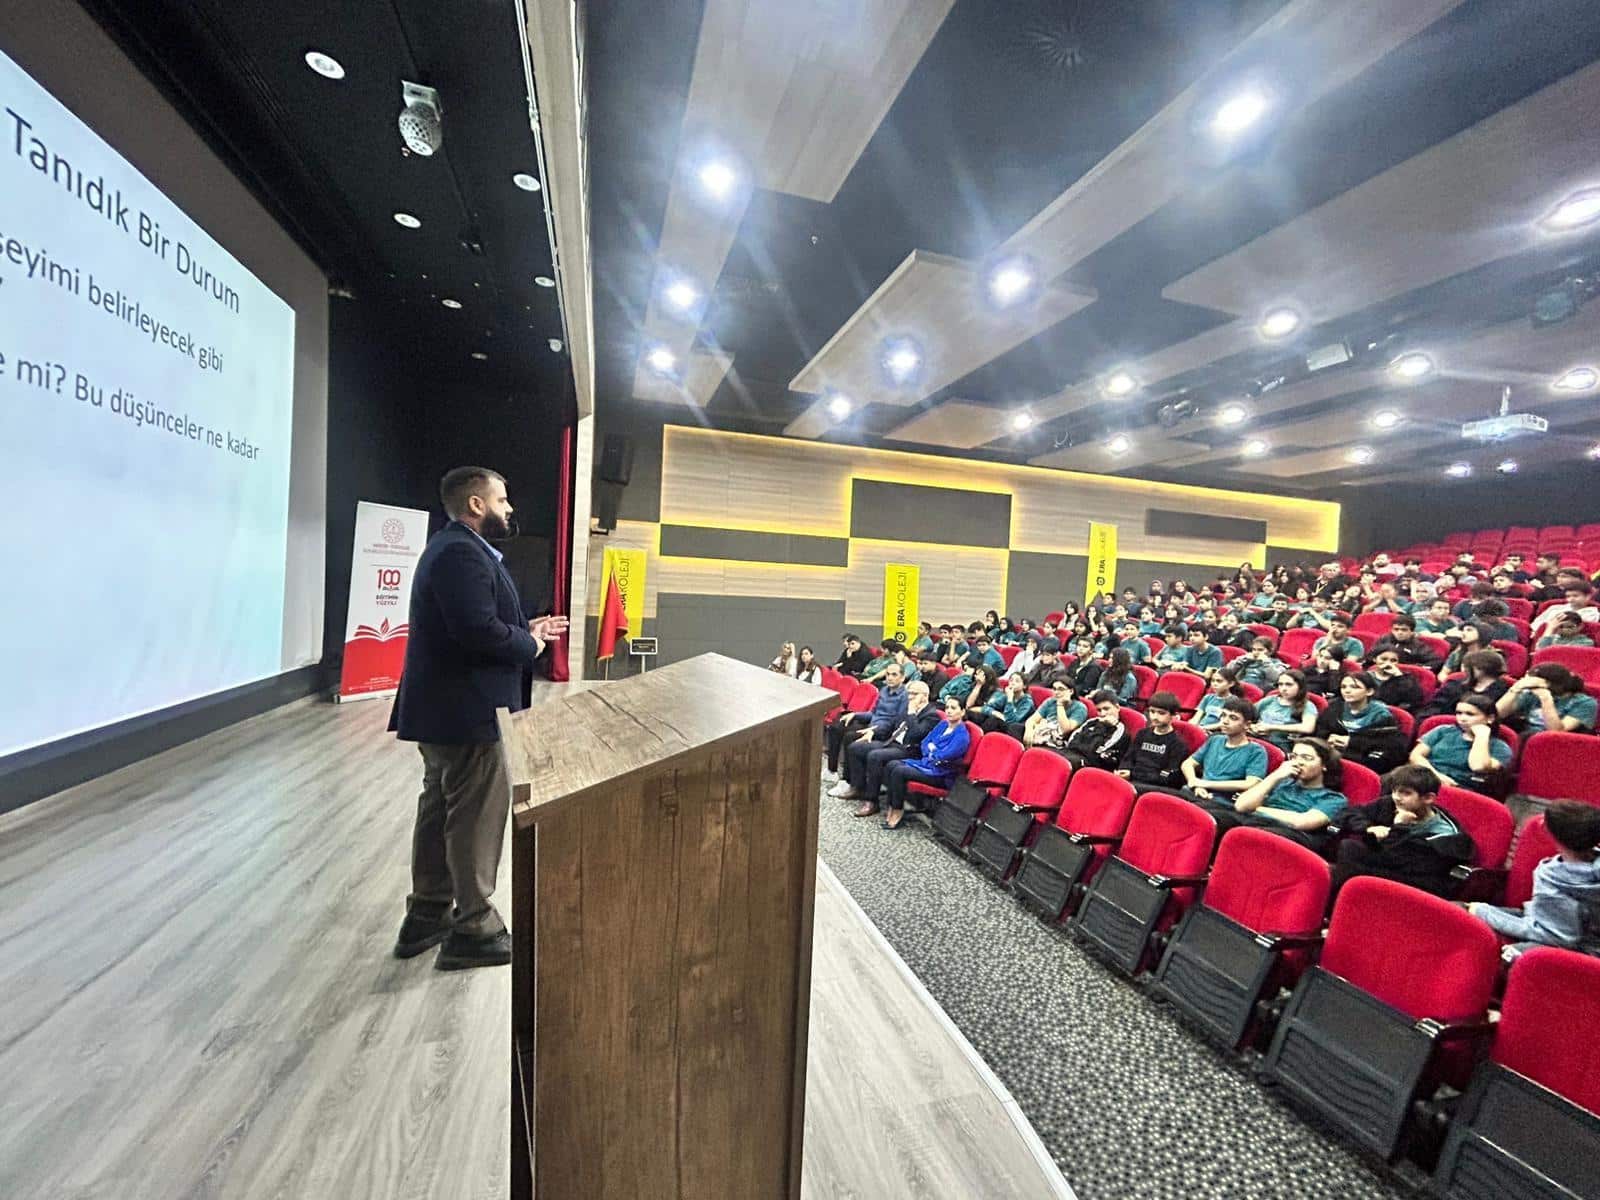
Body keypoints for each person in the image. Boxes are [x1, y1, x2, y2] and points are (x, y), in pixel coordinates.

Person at [390, 466, 569, 970]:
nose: (509, 509)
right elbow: (476, 632)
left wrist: (524, 627)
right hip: (468, 713)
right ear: (476, 504)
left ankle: (428, 912)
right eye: (502, 500)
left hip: (450, 712)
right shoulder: (461, 553)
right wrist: (528, 643)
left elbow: (473, 624)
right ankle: (474, 927)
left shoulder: (457, 550)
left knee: (441, 810)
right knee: (473, 818)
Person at [1468, 801, 1600, 959]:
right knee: (1463, 909)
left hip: (1567, 949)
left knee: (1496, 953)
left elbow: (1554, 937)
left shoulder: (1554, 881)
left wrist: (1481, 912)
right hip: (1563, 931)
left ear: (1550, 833)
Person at [1330, 765, 1474, 899]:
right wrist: (1368, 827)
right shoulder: (1391, 804)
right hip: (1385, 866)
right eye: (1394, 791)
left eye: (1406, 793)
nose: (1397, 797)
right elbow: (1348, 813)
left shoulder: (1444, 836)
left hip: (1414, 880)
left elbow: (1394, 856)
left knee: (1350, 857)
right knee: (1349, 849)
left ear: (1428, 798)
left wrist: (1399, 827)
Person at [1199, 738, 1348, 851]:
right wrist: (1275, 776)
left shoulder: (1332, 798)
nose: (1298, 762)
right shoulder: (1283, 782)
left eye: (1306, 758)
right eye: (1294, 756)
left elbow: (1301, 822)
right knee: (1209, 816)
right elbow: (1241, 806)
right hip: (1255, 820)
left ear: (1324, 765)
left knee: (1249, 834)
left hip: (1289, 833)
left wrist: (1258, 809)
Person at [833, 680, 942, 813]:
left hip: (909, 750)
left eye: (914, 694)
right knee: (856, 747)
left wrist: (912, 713)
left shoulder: (932, 715)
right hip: (892, 742)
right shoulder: (907, 708)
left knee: (875, 756)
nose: (910, 697)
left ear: (924, 696)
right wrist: (873, 732)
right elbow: (891, 724)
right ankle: (858, 787)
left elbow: (916, 734)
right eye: (909, 693)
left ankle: (872, 801)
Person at [880, 698, 973, 830]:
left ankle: (897, 810)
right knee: (892, 765)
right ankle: (892, 806)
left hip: (941, 773)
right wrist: (931, 749)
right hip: (926, 764)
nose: (949, 711)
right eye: (947, 707)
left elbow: (944, 755)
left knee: (899, 771)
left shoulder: (962, 736)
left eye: (953, 708)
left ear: (962, 712)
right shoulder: (943, 724)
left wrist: (932, 749)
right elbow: (925, 743)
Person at [1410, 695, 1513, 796]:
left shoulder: (1500, 747)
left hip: (1461, 791)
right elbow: (1415, 756)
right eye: (1459, 713)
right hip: (1425, 780)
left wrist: (1481, 736)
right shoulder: (1443, 731)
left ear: (1490, 718)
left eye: (1470, 714)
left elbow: (1478, 766)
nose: (1462, 719)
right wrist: (1437, 777)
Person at [822, 662, 907, 777]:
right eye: (887, 674)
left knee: (850, 736)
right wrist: (855, 715)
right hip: (871, 723)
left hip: (883, 731)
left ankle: (847, 778)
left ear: (902, 678)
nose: (890, 678)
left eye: (894, 675)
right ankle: (832, 770)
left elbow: (896, 723)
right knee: (837, 726)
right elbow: (872, 713)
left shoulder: (904, 697)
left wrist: (874, 730)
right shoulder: (884, 690)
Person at [1314, 670, 1407, 774]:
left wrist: (1351, 742)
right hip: (1332, 756)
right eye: (1343, 687)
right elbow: (1320, 732)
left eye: (1355, 687)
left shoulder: (1382, 716)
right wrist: (1329, 739)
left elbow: (1389, 745)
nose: (1347, 691)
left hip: (1364, 760)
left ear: (1369, 691)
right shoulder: (1334, 708)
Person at [1179, 699, 1268, 801]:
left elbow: (1251, 783)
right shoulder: (1215, 740)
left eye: (1233, 718)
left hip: (1223, 801)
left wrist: (1204, 783)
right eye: (1223, 715)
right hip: (1197, 792)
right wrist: (1196, 784)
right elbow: (1188, 763)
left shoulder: (1256, 751)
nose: (1225, 721)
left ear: (1247, 725)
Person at [1117, 692, 1189, 790]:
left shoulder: (1178, 744)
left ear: (1173, 716)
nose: (1155, 717)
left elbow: (1169, 778)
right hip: (1131, 781)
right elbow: (1129, 758)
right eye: (1152, 711)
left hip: (1154, 788)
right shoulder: (1142, 734)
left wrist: (1133, 774)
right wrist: (1124, 769)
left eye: (1161, 713)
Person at [1498, 663, 1599, 733]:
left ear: (1548, 684)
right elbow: (1498, 714)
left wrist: (1545, 698)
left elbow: (1557, 731)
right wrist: (1515, 689)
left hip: (1558, 745)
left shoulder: (1585, 703)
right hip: (1525, 735)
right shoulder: (1531, 693)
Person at [1062, 691, 1133, 771]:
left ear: (1117, 707)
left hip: (1088, 766)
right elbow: (1071, 742)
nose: (1102, 714)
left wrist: (1103, 726)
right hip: (1069, 754)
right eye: (1099, 710)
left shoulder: (1120, 731)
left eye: (1106, 709)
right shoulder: (1091, 722)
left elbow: (1095, 755)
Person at [1250, 669, 1318, 750]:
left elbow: (1308, 727)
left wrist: (1271, 727)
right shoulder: (1270, 700)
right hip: (1257, 742)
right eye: (1280, 684)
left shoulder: (1307, 706)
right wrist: (1252, 727)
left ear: (1300, 687)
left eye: (1289, 685)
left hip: (1281, 747)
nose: (1283, 688)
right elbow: (1246, 715)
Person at [1022, 678, 1088, 751]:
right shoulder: (1050, 701)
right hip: (1042, 731)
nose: (1056, 692)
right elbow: (1032, 720)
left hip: (1058, 741)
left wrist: (1060, 704)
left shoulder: (1080, 708)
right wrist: (1028, 731)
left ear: (1071, 691)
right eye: (1054, 689)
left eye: (1061, 689)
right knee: (1014, 728)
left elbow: (1065, 730)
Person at [1532, 581, 1600, 638]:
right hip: (1543, 642)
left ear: (1588, 596)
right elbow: (1535, 626)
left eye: (1575, 596)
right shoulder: (1554, 608)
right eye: (1568, 596)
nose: (1571, 599)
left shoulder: (1595, 615)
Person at [1368, 614, 1440, 668]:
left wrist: (1415, 667)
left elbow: (1436, 662)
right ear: (1392, 630)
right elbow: (1370, 656)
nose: (1399, 632)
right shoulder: (1384, 640)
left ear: (1412, 632)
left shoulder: (1418, 646)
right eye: (1396, 629)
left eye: (1404, 630)